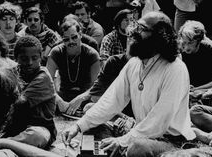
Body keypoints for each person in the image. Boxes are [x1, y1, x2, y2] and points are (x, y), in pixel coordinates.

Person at [62, 11, 196, 157]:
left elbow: (159, 120)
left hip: (171, 141)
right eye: (136, 26)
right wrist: (78, 125)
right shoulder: (134, 63)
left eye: (142, 29)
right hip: (139, 132)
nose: (133, 32)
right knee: (92, 127)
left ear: (160, 36)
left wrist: (123, 140)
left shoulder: (175, 68)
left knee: (137, 148)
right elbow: (111, 100)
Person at [46, 19, 100, 115]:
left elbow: (96, 86)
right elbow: (47, 82)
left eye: (74, 37)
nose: (71, 41)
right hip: (63, 98)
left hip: (85, 97)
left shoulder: (92, 54)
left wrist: (81, 98)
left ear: (80, 35)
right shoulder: (56, 52)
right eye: (66, 39)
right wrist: (58, 101)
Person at [12, 35, 57, 148]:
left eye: (34, 58)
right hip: (16, 127)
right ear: (16, 58)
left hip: (40, 127)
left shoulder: (43, 77)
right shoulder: (13, 72)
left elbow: (19, 104)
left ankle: (4, 143)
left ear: (41, 58)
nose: (30, 62)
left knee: (37, 136)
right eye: (24, 58)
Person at [178, 20, 212, 106]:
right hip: (183, 86)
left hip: (204, 89)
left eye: (190, 43)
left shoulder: (211, 48)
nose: (187, 47)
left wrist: (198, 89)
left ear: (198, 41)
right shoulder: (179, 47)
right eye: (184, 42)